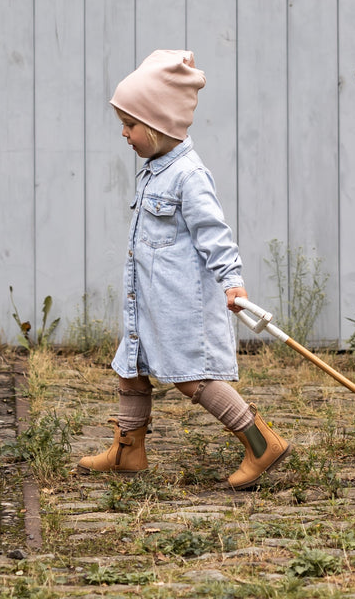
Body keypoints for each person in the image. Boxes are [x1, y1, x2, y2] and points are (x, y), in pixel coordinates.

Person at [78, 49, 290, 489]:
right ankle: (127, 451)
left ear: (156, 125)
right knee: (130, 366)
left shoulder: (189, 176)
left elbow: (214, 233)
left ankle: (259, 440)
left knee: (192, 379)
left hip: (178, 305)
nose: (123, 133)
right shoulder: (155, 171)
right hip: (149, 301)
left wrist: (232, 282)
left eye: (130, 124)